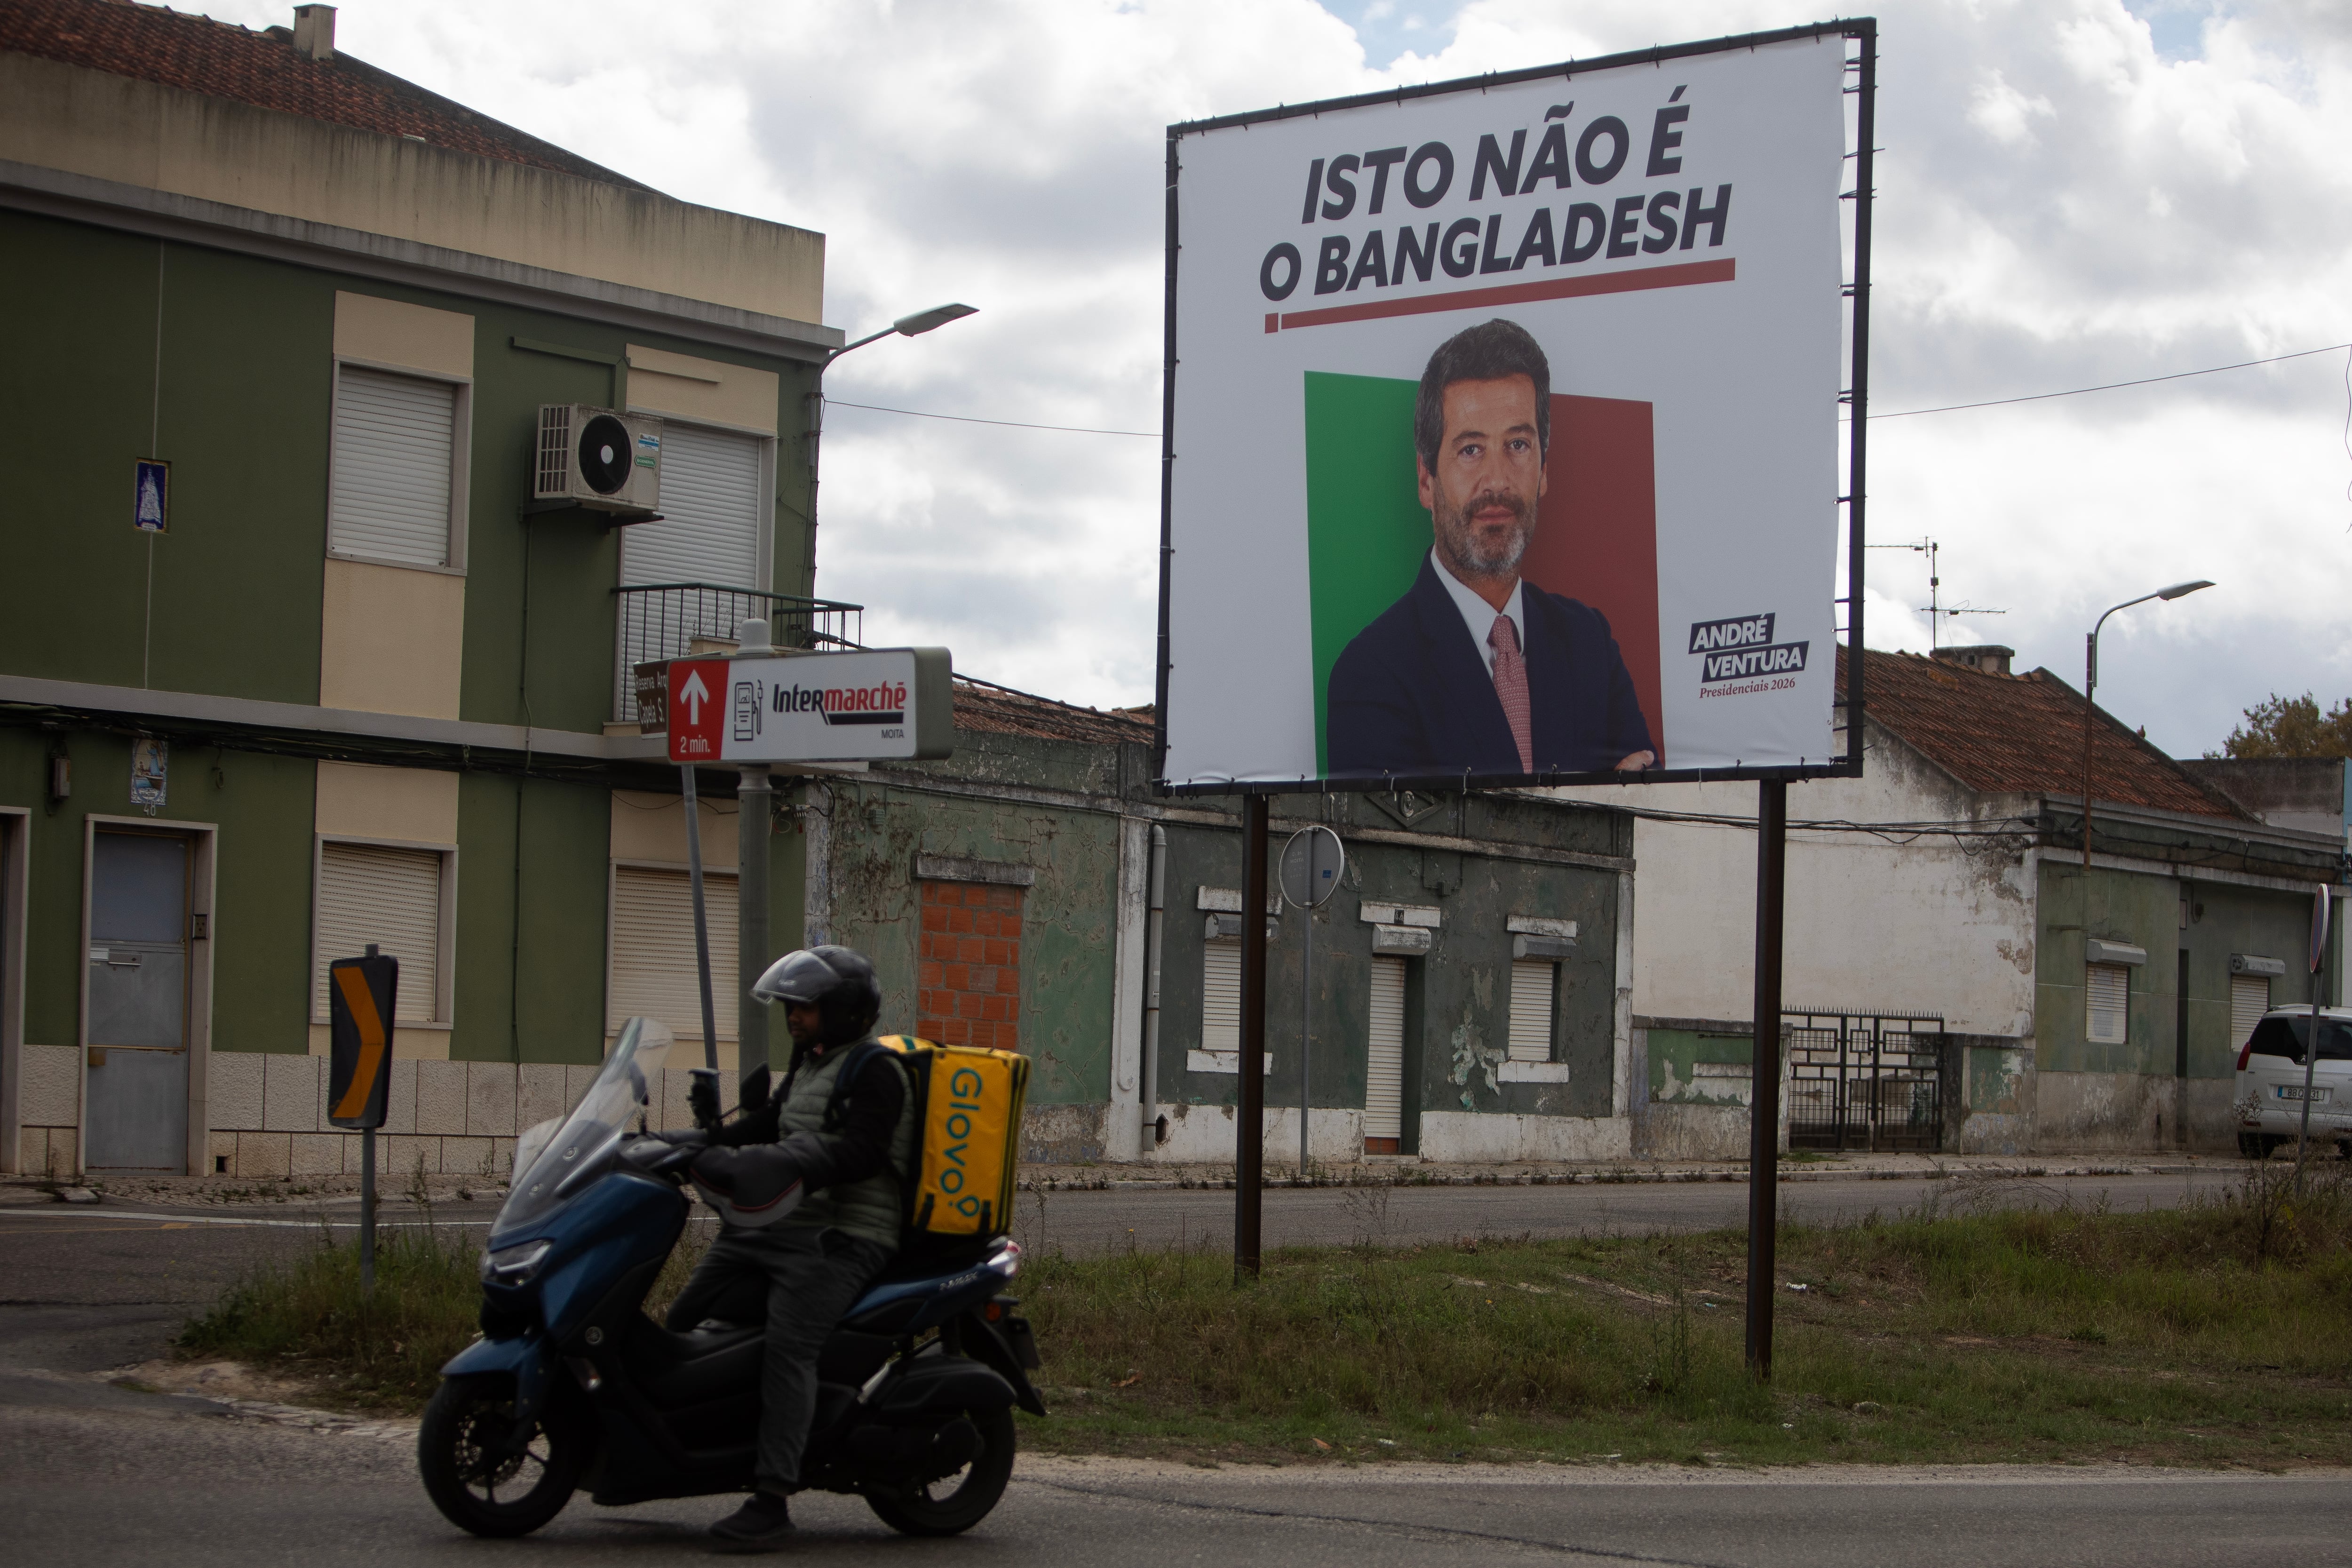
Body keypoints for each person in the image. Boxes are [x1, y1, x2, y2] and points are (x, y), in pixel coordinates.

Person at [1325, 317, 1657, 778]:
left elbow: (1644, 815)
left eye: (1517, 444)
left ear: (1543, 469)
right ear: (1425, 479)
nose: (1497, 480)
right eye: (1470, 450)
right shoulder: (1371, 673)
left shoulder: (1589, 645)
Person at [669, 944, 916, 1551]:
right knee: (683, 1318)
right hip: (777, 1225)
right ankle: (678, 1447)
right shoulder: (809, 1063)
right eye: (791, 1006)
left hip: (847, 1236)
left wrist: (795, 1161)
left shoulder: (875, 1071)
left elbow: (861, 1152)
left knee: (789, 1346)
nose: (794, 1016)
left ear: (845, 1013)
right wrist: (694, 1147)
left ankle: (773, 1498)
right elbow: (773, 1125)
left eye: (806, 1007)